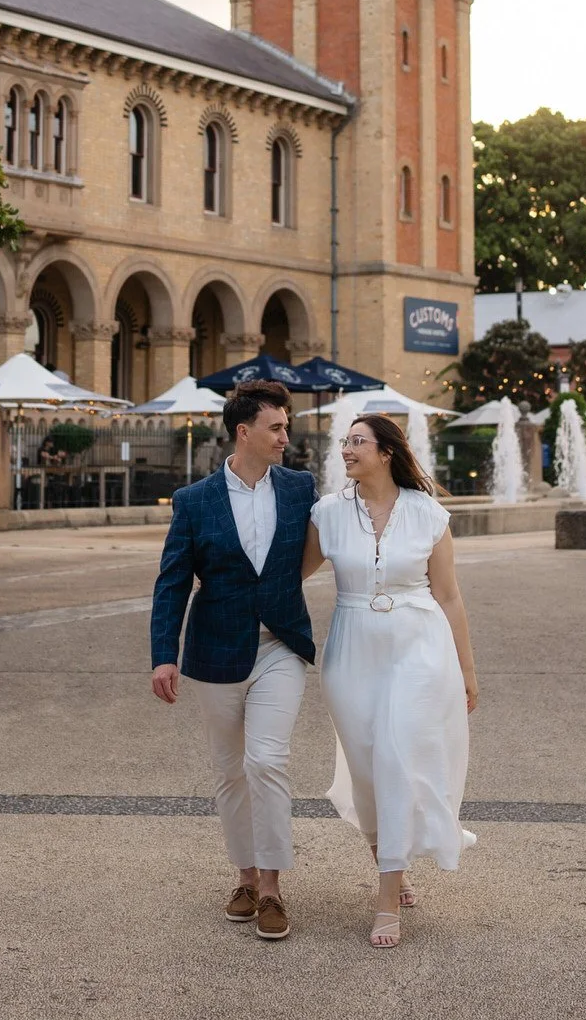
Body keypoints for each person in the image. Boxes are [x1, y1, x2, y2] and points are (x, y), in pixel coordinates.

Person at [303, 412, 478, 951]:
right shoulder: (327, 514)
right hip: (351, 650)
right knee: (366, 771)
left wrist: (467, 671)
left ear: (385, 452)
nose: (346, 450)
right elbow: (289, 577)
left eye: (357, 442)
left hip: (419, 647)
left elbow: (448, 595)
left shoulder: (428, 513)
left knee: (397, 759)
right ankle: (391, 859)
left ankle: (385, 902)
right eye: (344, 442)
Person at [149, 379, 316, 942]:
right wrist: (162, 656)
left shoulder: (300, 488)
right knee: (229, 770)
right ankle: (243, 877)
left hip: (281, 647)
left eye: (286, 426)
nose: (285, 437)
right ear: (243, 432)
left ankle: (270, 887)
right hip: (216, 649)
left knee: (266, 760)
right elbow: (172, 582)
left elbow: (338, 535)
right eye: (276, 427)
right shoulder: (193, 501)